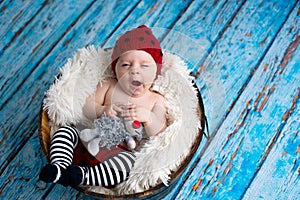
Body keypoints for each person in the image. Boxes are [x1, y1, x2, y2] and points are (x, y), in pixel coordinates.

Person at [39, 25, 167, 187]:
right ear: (116, 68)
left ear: (156, 71)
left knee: (128, 164)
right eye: (126, 65)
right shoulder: (109, 85)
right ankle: (59, 167)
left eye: (145, 66)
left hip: (116, 153)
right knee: (66, 131)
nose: (134, 70)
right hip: (88, 136)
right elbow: (87, 108)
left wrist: (148, 117)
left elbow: (160, 129)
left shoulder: (156, 100)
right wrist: (103, 110)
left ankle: (83, 176)